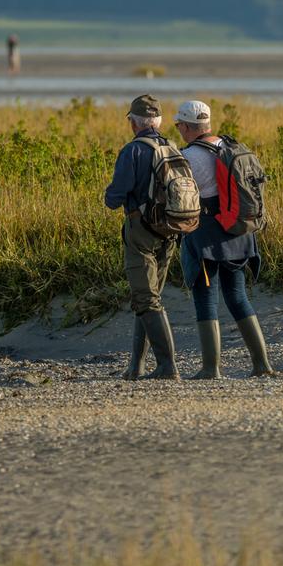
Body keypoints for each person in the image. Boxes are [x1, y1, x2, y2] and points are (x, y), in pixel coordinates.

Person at [173, 99, 277, 378]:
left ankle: (210, 368)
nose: (178, 130)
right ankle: (262, 365)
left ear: (186, 126)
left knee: (205, 298)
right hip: (238, 231)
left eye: (179, 125)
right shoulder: (230, 147)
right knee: (237, 296)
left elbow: (179, 196)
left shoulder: (188, 157)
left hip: (205, 235)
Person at [102, 94, 180, 380]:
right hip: (170, 231)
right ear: (157, 121)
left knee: (145, 297)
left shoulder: (133, 151)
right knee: (149, 296)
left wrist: (108, 198)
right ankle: (136, 366)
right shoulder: (172, 146)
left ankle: (167, 366)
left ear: (134, 122)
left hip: (141, 231)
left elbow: (115, 197)